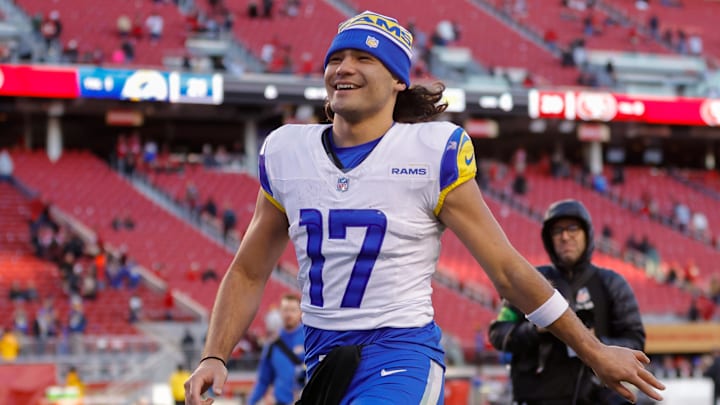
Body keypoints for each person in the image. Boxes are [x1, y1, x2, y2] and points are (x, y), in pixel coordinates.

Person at [184, 11, 664, 405]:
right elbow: (248, 272)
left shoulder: (431, 151)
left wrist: (593, 350)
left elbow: (506, 271)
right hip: (323, 356)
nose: (343, 68)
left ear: (396, 80)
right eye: (337, 58)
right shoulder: (288, 151)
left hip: (401, 353)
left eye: (363, 58)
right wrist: (214, 355)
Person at [489, 199, 646, 405]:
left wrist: (596, 342)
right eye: (557, 231)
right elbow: (498, 333)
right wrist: (536, 330)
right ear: (549, 239)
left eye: (573, 228)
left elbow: (636, 342)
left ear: (587, 234)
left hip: (596, 397)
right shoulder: (530, 281)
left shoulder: (612, 283)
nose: (565, 236)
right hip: (537, 397)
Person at [247, 293, 305, 405]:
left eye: (293, 310)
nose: (289, 314)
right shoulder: (272, 344)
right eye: (285, 310)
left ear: (300, 312)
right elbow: (263, 380)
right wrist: (251, 402)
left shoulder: (309, 339)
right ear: (280, 312)